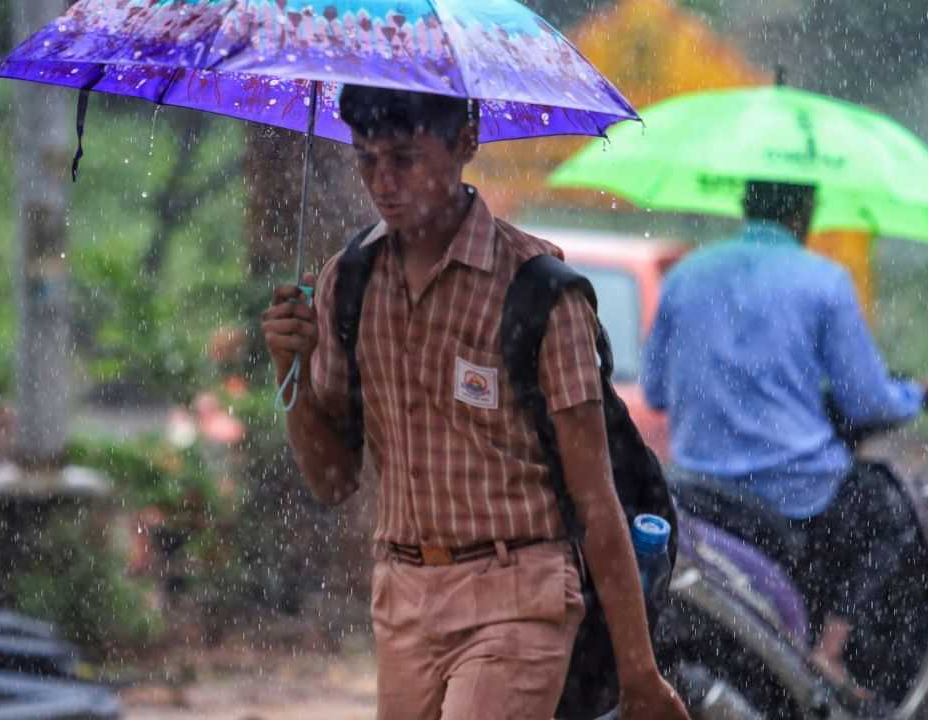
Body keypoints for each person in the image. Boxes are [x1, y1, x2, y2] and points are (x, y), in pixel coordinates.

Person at [261, 85, 689, 720]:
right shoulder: (347, 283)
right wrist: (288, 368)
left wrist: (639, 672)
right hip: (402, 599)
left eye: (404, 159)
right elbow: (332, 480)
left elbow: (596, 500)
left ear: (466, 141)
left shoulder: (541, 293)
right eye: (366, 161)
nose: (383, 183)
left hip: (519, 595)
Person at [641, 180, 928, 694]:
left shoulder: (686, 275)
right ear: (806, 214)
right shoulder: (825, 283)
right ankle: (830, 653)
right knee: (888, 516)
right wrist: (916, 395)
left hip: (695, 492)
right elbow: (866, 400)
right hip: (797, 495)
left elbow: (655, 393)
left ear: (743, 206)